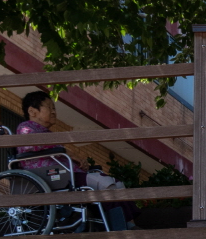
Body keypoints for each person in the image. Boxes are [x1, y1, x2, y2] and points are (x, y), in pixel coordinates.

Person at [12, 90, 134, 230]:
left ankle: (129, 224)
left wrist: (78, 161)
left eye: (54, 108)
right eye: (49, 107)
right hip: (52, 176)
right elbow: (30, 144)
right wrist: (70, 154)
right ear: (32, 111)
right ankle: (123, 227)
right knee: (106, 183)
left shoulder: (46, 134)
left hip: (64, 174)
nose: (53, 112)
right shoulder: (26, 128)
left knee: (118, 185)